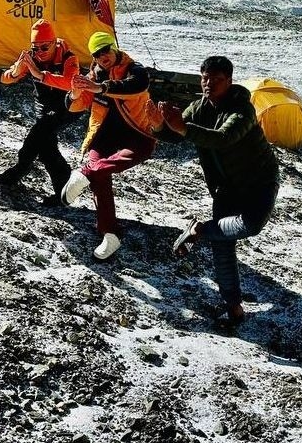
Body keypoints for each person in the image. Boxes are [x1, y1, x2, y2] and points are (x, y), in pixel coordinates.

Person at [159, 55, 279, 326]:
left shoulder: (243, 109)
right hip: (225, 188)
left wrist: (183, 127)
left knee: (252, 225)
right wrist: (158, 123)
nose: (209, 84)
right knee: (222, 246)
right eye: (205, 78)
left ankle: (201, 229)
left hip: (258, 182)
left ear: (229, 81)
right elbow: (171, 135)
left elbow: (224, 138)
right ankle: (233, 307)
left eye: (216, 79)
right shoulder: (198, 108)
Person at [61, 31, 162, 260]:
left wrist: (100, 88)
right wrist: (75, 93)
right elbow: (75, 105)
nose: (102, 57)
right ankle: (110, 233)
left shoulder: (135, 69)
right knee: (99, 175)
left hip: (138, 133)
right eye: (96, 54)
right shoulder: (94, 75)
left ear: (114, 48)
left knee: (104, 166)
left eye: (105, 50)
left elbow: (136, 86)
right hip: (104, 134)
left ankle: (84, 174)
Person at [0, 20, 80, 204]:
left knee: (37, 138)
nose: (40, 52)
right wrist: (15, 73)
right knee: (46, 147)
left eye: (44, 47)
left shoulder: (68, 57)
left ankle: (18, 171)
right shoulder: (31, 57)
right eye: (35, 48)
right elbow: (5, 79)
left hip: (67, 106)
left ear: (54, 42)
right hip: (44, 107)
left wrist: (40, 75)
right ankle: (64, 191)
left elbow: (70, 83)